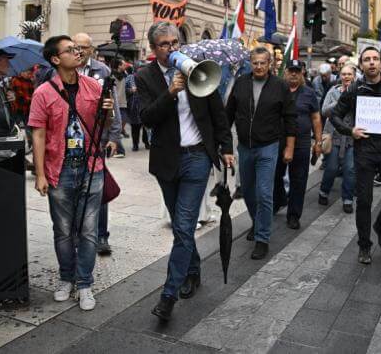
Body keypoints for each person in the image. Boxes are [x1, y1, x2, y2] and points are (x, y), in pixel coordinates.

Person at [135, 22, 234, 322]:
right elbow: (147, 118)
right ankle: (192, 269)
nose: (172, 48)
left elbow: (218, 114)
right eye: (164, 44)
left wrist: (226, 147)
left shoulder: (198, 70)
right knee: (181, 224)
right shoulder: (144, 76)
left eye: (175, 42)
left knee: (183, 225)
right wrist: (170, 92)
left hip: (196, 159)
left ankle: (168, 295)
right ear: (154, 50)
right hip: (166, 160)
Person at [29, 36, 119, 311]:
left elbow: (103, 125)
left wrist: (109, 112)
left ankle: (84, 283)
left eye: (77, 49)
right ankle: (66, 278)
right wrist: (41, 173)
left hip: (92, 165)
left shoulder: (94, 86)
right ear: (56, 59)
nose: (76, 52)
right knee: (64, 231)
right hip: (60, 169)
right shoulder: (43, 92)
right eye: (69, 50)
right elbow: (39, 134)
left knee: (89, 231)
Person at [329, 46, 381, 264]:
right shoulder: (355, 89)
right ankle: (364, 246)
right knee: (364, 201)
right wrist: (351, 131)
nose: (372, 63)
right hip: (365, 151)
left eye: (375, 59)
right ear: (361, 64)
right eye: (367, 60)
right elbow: (335, 115)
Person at [226, 47, 296, 260]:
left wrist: (289, 147)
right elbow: (227, 115)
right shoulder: (241, 83)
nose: (258, 66)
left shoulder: (280, 86)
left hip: (269, 146)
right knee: (247, 191)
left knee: (264, 193)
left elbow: (290, 118)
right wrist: (226, 147)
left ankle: (262, 238)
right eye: (255, 63)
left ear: (270, 64)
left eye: (262, 63)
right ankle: (257, 222)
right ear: (251, 63)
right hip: (245, 147)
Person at [73, 32, 121, 257]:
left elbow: (113, 107)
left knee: (98, 189)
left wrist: (113, 137)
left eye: (84, 47)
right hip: (73, 140)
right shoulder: (66, 69)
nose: (79, 51)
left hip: (96, 139)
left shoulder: (102, 72)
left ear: (91, 50)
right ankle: (77, 232)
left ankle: (101, 235)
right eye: (76, 47)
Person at [273, 60, 322, 229]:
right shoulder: (277, 90)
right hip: (278, 141)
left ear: (302, 73)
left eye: (297, 71)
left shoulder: (309, 93)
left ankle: (293, 215)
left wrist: (318, 141)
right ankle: (278, 200)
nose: (294, 74)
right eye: (291, 70)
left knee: (298, 180)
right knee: (274, 175)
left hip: (302, 142)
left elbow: (316, 118)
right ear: (285, 72)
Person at [319, 64, 357, 213]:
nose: (346, 77)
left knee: (349, 169)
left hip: (351, 135)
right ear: (340, 76)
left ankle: (347, 199)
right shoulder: (333, 91)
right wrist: (341, 99)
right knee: (332, 167)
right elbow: (324, 111)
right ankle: (323, 191)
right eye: (343, 74)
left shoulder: (359, 92)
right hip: (333, 134)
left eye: (349, 74)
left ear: (354, 76)